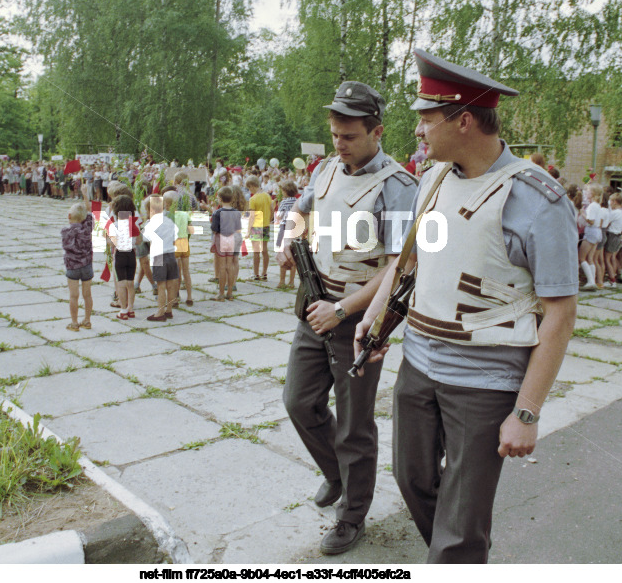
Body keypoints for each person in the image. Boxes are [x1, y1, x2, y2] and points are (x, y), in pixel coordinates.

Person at [355, 49, 577, 563]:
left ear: (465, 120)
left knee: (459, 524)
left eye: (427, 119)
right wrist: (373, 319)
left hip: (484, 384)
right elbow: (406, 263)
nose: (418, 131)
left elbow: (561, 314)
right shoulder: (431, 182)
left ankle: (457, 556)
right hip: (418, 368)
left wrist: (526, 411)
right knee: (411, 479)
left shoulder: (535, 199)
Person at [277, 81, 417, 555]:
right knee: (299, 401)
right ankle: (336, 473)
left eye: (349, 136)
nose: (339, 143)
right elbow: (301, 210)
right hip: (314, 306)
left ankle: (352, 515)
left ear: (376, 132)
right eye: (335, 133)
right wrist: (288, 239)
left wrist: (344, 309)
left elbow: (401, 265)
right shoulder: (325, 169)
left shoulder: (398, 188)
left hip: (358, 321)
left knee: (356, 424)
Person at [60, 188, 94, 331]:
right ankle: (87, 320)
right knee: (87, 295)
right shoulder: (87, 229)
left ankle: (74, 323)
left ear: (69, 216)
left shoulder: (65, 231)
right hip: (87, 266)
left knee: (73, 296)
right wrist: (85, 194)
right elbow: (90, 213)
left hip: (72, 267)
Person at [143, 194, 179, 321]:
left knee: (161, 285)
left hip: (158, 255)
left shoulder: (152, 223)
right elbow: (176, 235)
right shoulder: (169, 221)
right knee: (171, 285)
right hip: (171, 254)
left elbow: (145, 238)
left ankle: (160, 312)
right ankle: (169, 310)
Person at [107, 194, 139, 320]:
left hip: (120, 254)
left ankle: (123, 309)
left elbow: (112, 243)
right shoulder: (133, 225)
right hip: (131, 254)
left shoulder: (115, 226)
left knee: (121, 284)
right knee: (130, 283)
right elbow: (139, 241)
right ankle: (130, 308)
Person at [210, 186, 241, 301]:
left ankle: (221, 293)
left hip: (221, 239)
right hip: (232, 238)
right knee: (230, 265)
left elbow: (214, 228)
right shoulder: (237, 213)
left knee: (222, 267)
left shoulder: (217, 213)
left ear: (220, 199)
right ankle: (230, 293)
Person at [246, 175, 273, 281]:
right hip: (265, 225)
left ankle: (256, 274)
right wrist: (269, 220)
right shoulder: (267, 196)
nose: (250, 190)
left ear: (252, 186)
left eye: (249, 188)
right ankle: (264, 273)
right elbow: (271, 210)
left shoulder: (253, 199)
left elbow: (252, 216)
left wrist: (248, 230)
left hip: (256, 226)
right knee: (265, 250)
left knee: (256, 251)